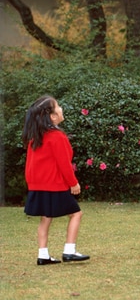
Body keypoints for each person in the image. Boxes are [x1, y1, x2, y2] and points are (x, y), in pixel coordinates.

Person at [22, 95, 90, 265]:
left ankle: (43, 255)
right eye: (58, 107)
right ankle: (69, 251)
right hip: (55, 186)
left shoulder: (35, 138)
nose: (61, 109)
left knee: (45, 219)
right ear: (52, 116)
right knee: (76, 214)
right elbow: (64, 164)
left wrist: (32, 186)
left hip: (38, 186)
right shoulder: (57, 137)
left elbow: (30, 165)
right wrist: (73, 183)